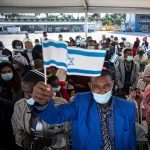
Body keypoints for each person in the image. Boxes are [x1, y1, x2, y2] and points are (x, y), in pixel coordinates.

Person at [32, 70, 137, 150]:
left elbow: (131, 141)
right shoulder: (81, 103)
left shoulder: (128, 108)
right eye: (97, 87)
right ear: (90, 86)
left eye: (106, 86)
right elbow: (55, 116)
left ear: (113, 84)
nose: (102, 91)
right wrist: (43, 102)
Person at [12, 70, 71, 150]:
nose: (27, 96)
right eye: (24, 92)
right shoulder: (19, 106)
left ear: (45, 89)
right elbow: (17, 131)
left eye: (31, 92)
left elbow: (70, 134)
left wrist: (50, 141)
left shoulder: (62, 105)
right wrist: (25, 141)